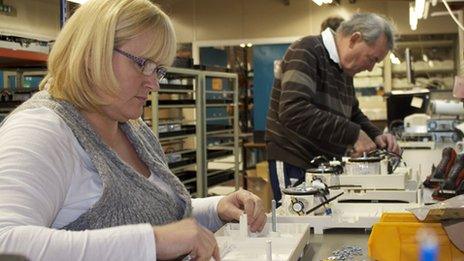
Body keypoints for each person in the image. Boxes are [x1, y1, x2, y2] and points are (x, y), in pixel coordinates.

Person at [0, 0, 266, 260]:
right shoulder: (42, 129)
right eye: (142, 64)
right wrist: (153, 242)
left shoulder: (132, 127)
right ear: (91, 54)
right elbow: (6, 243)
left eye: (158, 70)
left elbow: (154, 216)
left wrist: (216, 209)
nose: (154, 84)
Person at [265, 13, 401, 204]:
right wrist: (354, 135)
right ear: (354, 39)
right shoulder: (306, 50)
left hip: (321, 164)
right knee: (299, 224)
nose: (370, 68)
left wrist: (375, 135)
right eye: (371, 59)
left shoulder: (343, 69)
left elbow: (352, 113)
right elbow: (293, 111)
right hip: (294, 160)